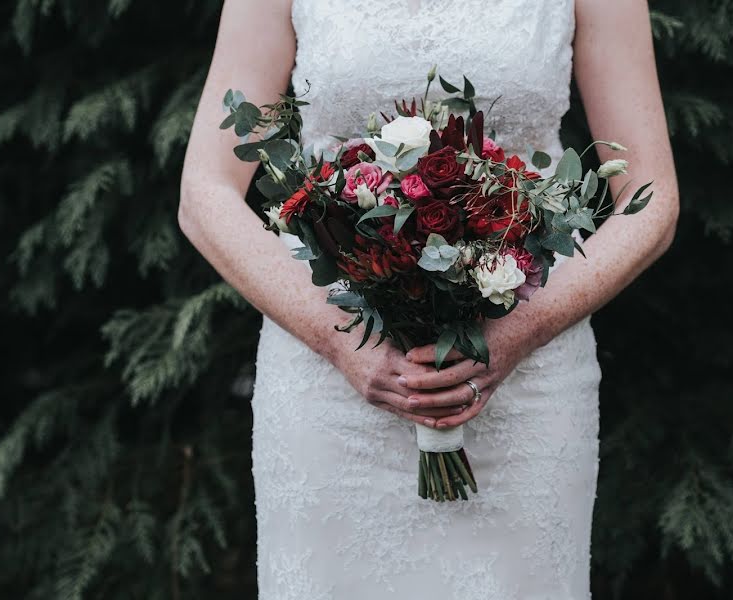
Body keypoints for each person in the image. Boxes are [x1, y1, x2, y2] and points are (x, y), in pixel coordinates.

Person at [178, 0, 679, 597]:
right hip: (331, 388)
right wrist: (340, 343)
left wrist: (518, 332)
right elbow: (205, 193)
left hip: (529, 380)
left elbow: (652, 200)